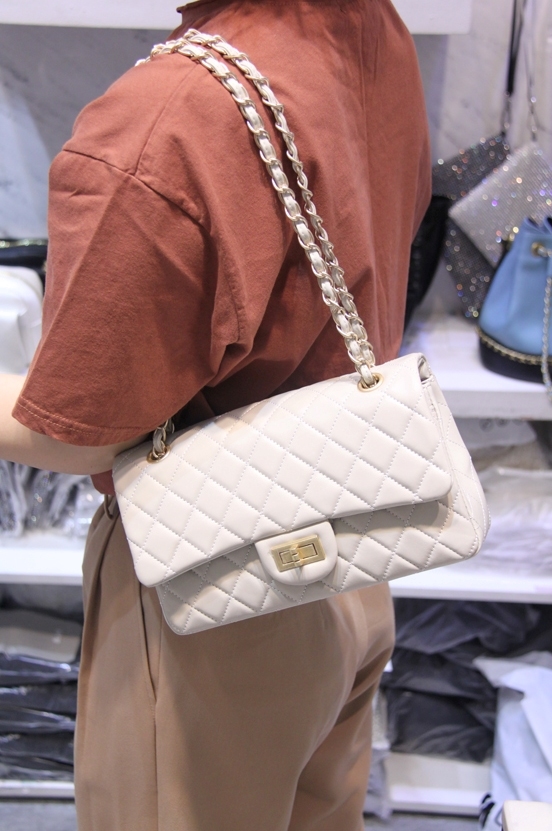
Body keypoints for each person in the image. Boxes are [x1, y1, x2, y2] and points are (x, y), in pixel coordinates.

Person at [0, 0, 430, 828]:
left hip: (218, 597)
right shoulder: (366, 25)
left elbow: (78, 430)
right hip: (352, 545)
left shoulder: (171, 119)